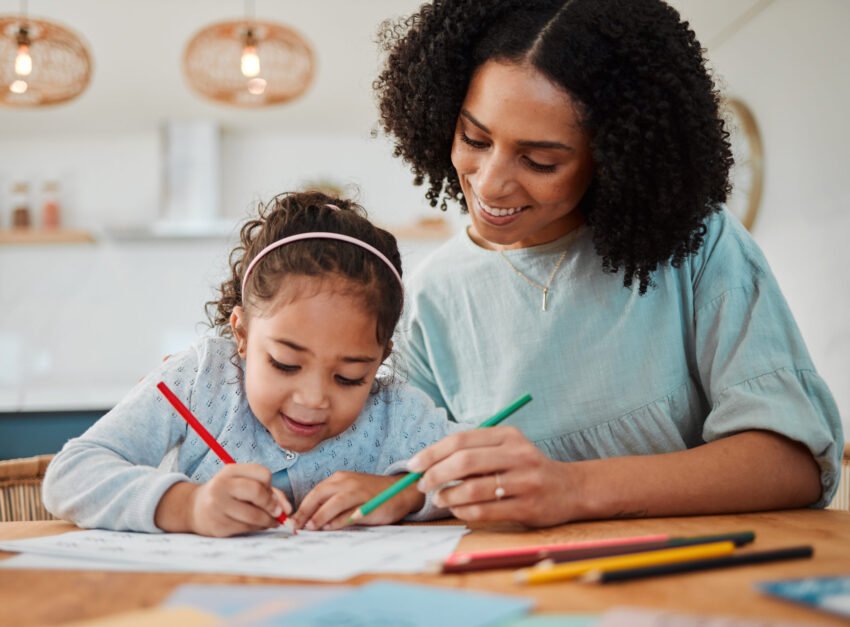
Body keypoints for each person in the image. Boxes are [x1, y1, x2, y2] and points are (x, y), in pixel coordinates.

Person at [373, 0, 843, 527]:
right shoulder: (432, 293)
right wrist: (397, 490)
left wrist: (574, 489)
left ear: (612, 155)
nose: (489, 183)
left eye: (541, 161)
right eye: (474, 139)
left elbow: (793, 463)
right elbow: (422, 474)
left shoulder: (695, 247)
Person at [42, 191, 465, 537]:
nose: (314, 399)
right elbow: (70, 475)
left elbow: (476, 475)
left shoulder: (395, 410)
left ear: (379, 362)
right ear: (241, 335)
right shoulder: (198, 379)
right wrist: (187, 506)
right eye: (284, 364)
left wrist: (403, 493)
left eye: (349, 376)